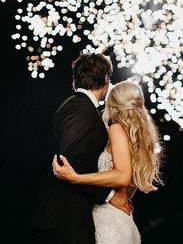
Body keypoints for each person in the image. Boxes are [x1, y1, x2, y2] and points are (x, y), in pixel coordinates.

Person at [30, 52, 132, 244]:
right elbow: (67, 163)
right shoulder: (81, 108)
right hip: (67, 218)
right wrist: (110, 196)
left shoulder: (77, 106)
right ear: (106, 79)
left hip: (62, 216)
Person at [52, 80, 163, 244]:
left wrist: (76, 177)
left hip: (109, 219)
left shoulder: (117, 129)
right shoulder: (140, 138)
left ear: (113, 102)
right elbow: (128, 190)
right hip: (124, 219)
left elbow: (122, 176)